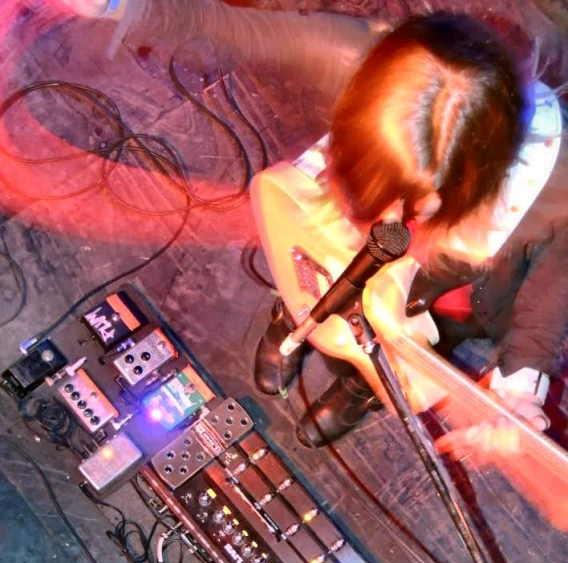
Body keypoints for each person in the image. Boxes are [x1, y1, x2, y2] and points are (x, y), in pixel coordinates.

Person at [59, 1, 568, 456]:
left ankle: (358, 386)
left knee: (387, 346)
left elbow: (546, 309)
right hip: (331, 244)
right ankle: (295, 324)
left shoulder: (558, 187)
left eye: (419, 202)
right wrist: (120, 5)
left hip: (443, 297)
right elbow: (239, 31)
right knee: (318, 280)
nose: (393, 215)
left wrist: (516, 398)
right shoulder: (389, 63)